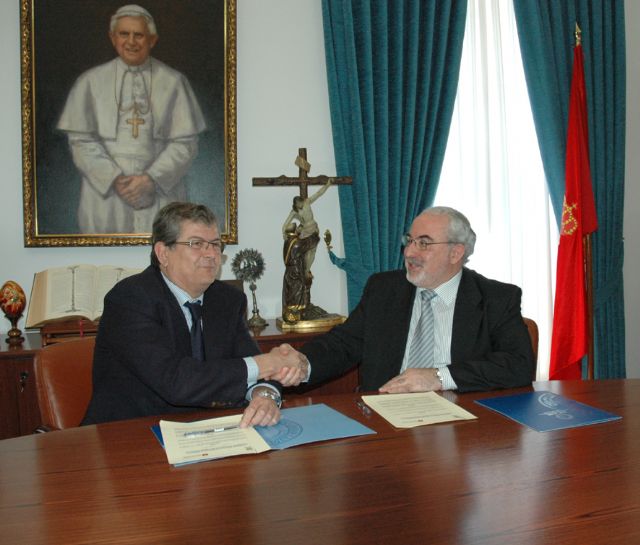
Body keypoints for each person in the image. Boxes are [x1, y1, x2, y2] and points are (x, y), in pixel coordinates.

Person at [82, 202, 308, 427]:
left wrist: (264, 395)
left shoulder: (227, 300)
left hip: (206, 431)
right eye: (196, 244)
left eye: (216, 244)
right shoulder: (131, 299)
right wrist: (266, 364)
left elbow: (250, 365)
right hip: (130, 434)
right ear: (163, 253)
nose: (210, 254)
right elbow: (176, 383)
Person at [298, 206, 535, 393]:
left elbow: (518, 365)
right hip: (388, 414)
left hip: (462, 419)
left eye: (424, 243)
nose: (409, 252)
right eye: (409, 240)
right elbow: (343, 344)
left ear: (456, 252)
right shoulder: (384, 289)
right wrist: (301, 364)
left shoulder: (496, 298)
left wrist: (439, 377)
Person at [57, 4, 206, 234]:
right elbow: (80, 141)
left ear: (152, 40)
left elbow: (185, 144)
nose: (131, 42)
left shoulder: (174, 82)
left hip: (160, 194)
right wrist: (115, 179)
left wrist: (151, 179)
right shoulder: (90, 82)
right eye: (124, 34)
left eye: (139, 35)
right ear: (112, 37)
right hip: (105, 196)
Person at [281, 180, 332, 281]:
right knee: (305, 252)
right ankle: (304, 270)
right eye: (298, 204)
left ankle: (307, 270)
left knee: (313, 250)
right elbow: (285, 224)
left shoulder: (307, 202)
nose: (301, 204)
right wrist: (283, 233)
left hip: (314, 229)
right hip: (305, 232)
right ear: (295, 204)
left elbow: (318, 194)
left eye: (301, 202)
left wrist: (327, 184)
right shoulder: (294, 212)